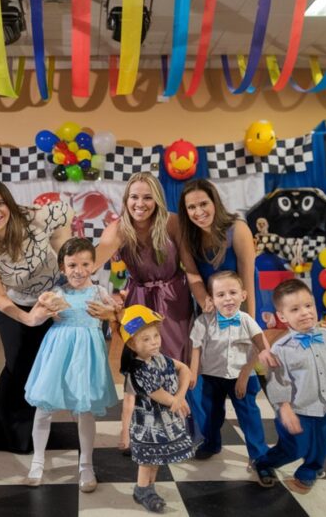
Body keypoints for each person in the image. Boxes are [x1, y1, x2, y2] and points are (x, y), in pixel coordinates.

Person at [0, 181, 73, 453]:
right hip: (15, 304)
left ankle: (37, 427)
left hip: (52, 299)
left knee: (43, 366)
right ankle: (8, 435)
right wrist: (28, 318)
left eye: (0, 203)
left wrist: (62, 251)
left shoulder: (33, 217)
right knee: (18, 366)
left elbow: (66, 212)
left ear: (10, 206)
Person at [93, 172, 201, 455]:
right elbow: (90, 264)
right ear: (126, 199)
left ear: (157, 199)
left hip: (174, 299)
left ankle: (179, 427)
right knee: (140, 366)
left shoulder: (172, 222)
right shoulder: (117, 229)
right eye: (134, 197)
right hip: (139, 300)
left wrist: (204, 299)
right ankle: (134, 430)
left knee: (174, 362)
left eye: (147, 197)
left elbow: (189, 266)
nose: (140, 203)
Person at [23, 238, 118, 492]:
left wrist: (112, 314)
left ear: (94, 265)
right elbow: (34, 318)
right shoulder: (56, 293)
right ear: (63, 267)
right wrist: (44, 310)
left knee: (84, 409)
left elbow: (118, 319)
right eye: (72, 264)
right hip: (57, 354)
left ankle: (86, 464)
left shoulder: (100, 292)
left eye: (85, 263)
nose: (79, 270)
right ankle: (38, 461)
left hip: (87, 356)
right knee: (44, 408)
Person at [255, 279, 326, 494]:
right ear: (283, 317)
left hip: (324, 407)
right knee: (295, 447)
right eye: (295, 309)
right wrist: (284, 408)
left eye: (308, 306)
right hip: (296, 410)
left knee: (323, 444)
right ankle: (264, 463)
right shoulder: (282, 348)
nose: (305, 312)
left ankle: (308, 474)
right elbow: (277, 380)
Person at [189, 271, 277, 461]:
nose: (227, 299)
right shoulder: (203, 321)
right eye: (221, 295)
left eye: (233, 293)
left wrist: (246, 374)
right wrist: (194, 373)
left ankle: (259, 455)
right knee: (212, 414)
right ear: (211, 299)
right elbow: (195, 347)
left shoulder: (246, 320)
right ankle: (211, 444)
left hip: (242, 376)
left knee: (248, 416)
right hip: (212, 377)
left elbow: (260, 344)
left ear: (243, 295)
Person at [120, 304, 198, 513]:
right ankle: (143, 489)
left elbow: (185, 369)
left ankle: (149, 487)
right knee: (147, 460)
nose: (154, 342)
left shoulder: (159, 358)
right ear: (132, 344)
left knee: (155, 459)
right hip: (149, 424)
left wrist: (180, 396)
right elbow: (158, 394)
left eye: (155, 335)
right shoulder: (138, 369)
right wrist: (176, 401)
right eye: (146, 339)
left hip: (164, 420)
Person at [178, 179, 258, 316]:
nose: (199, 211)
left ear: (215, 203)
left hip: (242, 304)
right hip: (210, 309)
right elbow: (193, 275)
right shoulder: (187, 237)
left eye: (204, 204)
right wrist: (205, 303)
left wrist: (249, 326)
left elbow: (247, 284)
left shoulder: (238, 230)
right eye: (191, 207)